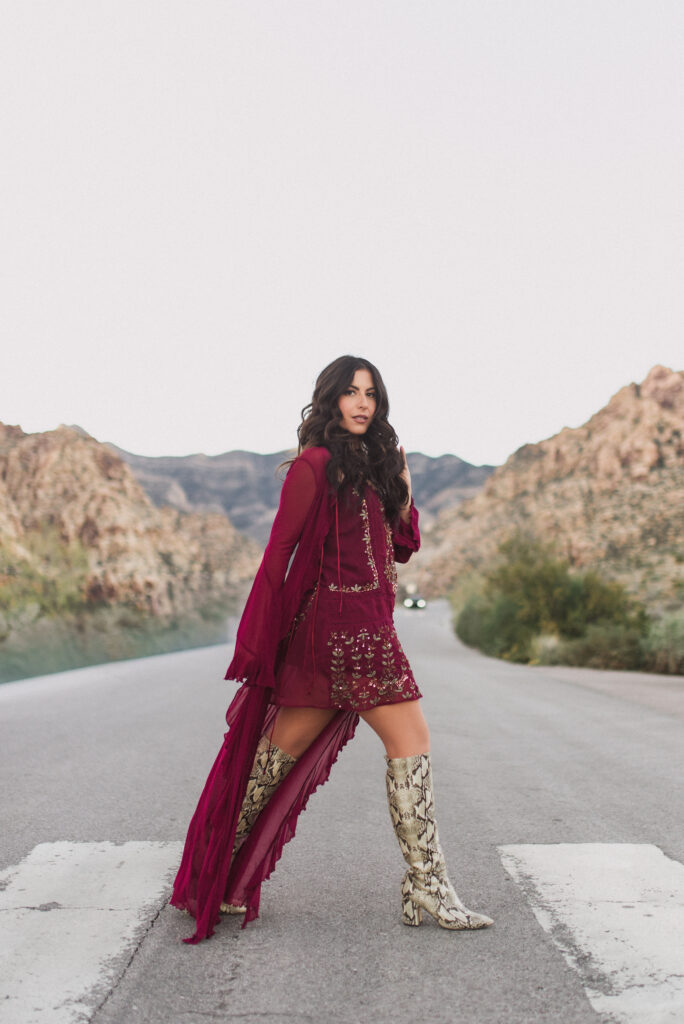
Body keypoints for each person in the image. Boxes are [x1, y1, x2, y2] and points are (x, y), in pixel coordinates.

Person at [171, 355, 493, 942]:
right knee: (321, 755)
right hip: (332, 636)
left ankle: (213, 872)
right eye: (351, 392)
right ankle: (423, 884)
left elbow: (401, 546)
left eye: (371, 393)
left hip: (370, 630)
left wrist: (404, 486)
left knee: (276, 762)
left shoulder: (377, 466)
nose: (363, 403)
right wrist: (259, 645)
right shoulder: (312, 467)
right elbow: (279, 555)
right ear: (330, 401)